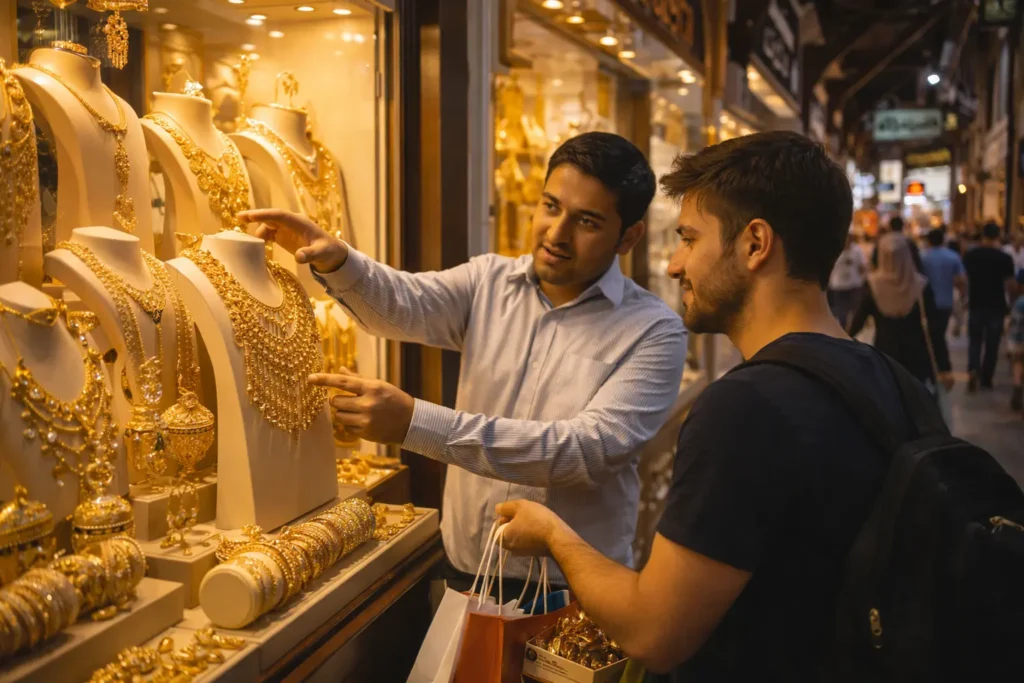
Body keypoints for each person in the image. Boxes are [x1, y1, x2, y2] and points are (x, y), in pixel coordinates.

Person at [494, 131, 914, 680]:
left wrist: (554, 535)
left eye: (689, 238)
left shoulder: (747, 410)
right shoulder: (891, 379)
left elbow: (652, 632)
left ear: (755, 244)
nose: (673, 264)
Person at [238, 132, 687, 595]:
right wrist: (337, 261)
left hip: (575, 594)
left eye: (587, 221)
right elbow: (403, 304)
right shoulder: (489, 281)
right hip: (464, 577)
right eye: (551, 206)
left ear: (628, 237)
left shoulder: (653, 332)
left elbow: (581, 452)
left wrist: (415, 423)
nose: (556, 233)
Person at [848, 233, 937, 389]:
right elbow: (935, 329)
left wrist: (839, 344)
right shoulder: (921, 285)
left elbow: (857, 323)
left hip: (885, 355)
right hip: (917, 357)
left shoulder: (872, 286)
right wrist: (944, 367)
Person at [963, 221, 1018, 391]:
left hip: (976, 302)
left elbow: (965, 280)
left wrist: (965, 299)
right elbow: (1010, 284)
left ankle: (973, 370)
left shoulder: (971, 255)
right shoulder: (1004, 258)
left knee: (975, 341)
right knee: (992, 343)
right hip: (996, 305)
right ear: (998, 236)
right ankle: (987, 378)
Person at [919, 228, 967, 383]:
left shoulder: (923, 257)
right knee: (939, 333)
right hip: (946, 302)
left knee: (930, 334)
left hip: (927, 304)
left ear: (929, 240)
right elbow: (960, 280)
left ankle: (932, 365)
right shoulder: (953, 257)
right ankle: (943, 366)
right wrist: (963, 297)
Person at [827, 234, 866, 327]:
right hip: (838, 286)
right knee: (841, 311)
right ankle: (844, 329)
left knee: (855, 310)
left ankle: (851, 329)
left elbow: (862, 266)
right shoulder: (834, 250)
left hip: (854, 284)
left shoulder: (857, 250)